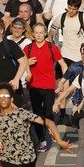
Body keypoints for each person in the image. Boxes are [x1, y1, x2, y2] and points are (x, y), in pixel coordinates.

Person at [24, 23, 67, 152]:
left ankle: (51, 129)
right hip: (34, 86)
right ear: (32, 34)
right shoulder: (28, 48)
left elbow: (63, 64)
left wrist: (64, 81)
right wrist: (27, 63)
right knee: (37, 114)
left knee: (48, 112)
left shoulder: (52, 48)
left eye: (41, 33)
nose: (38, 35)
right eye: (36, 33)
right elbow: (21, 64)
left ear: (45, 34)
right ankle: (42, 140)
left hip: (48, 85)